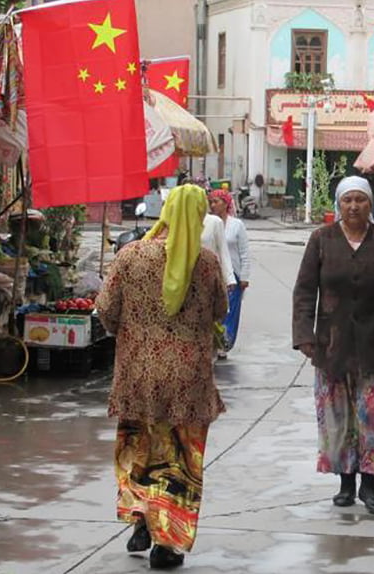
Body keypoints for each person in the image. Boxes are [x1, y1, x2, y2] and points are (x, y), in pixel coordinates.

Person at [96, 184, 229, 570]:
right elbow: (220, 310)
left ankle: (139, 517)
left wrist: (132, 334)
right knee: (179, 459)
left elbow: (105, 309)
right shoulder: (204, 264)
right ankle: (166, 544)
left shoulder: (131, 255)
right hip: (188, 381)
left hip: (138, 373)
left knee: (138, 447)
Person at [292, 176, 374, 515]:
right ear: (338, 203)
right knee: (338, 419)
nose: (353, 206)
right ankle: (345, 484)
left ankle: (370, 486)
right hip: (331, 346)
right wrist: (304, 334)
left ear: (370, 204)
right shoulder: (322, 240)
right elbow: (305, 291)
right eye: (347, 200)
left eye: (360, 200)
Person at [209, 189, 250, 359]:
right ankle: (212, 341)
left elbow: (244, 252)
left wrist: (245, 277)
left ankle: (225, 343)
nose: (213, 205)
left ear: (226, 204)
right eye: (211, 201)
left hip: (233, 275)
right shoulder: (208, 223)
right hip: (213, 273)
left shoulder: (236, 225)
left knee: (230, 311)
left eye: (216, 201)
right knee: (213, 310)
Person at [202, 211, 237, 291]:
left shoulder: (214, 222)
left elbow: (223, 251)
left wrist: (229, 278)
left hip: (209, 275)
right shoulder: (180, 221)